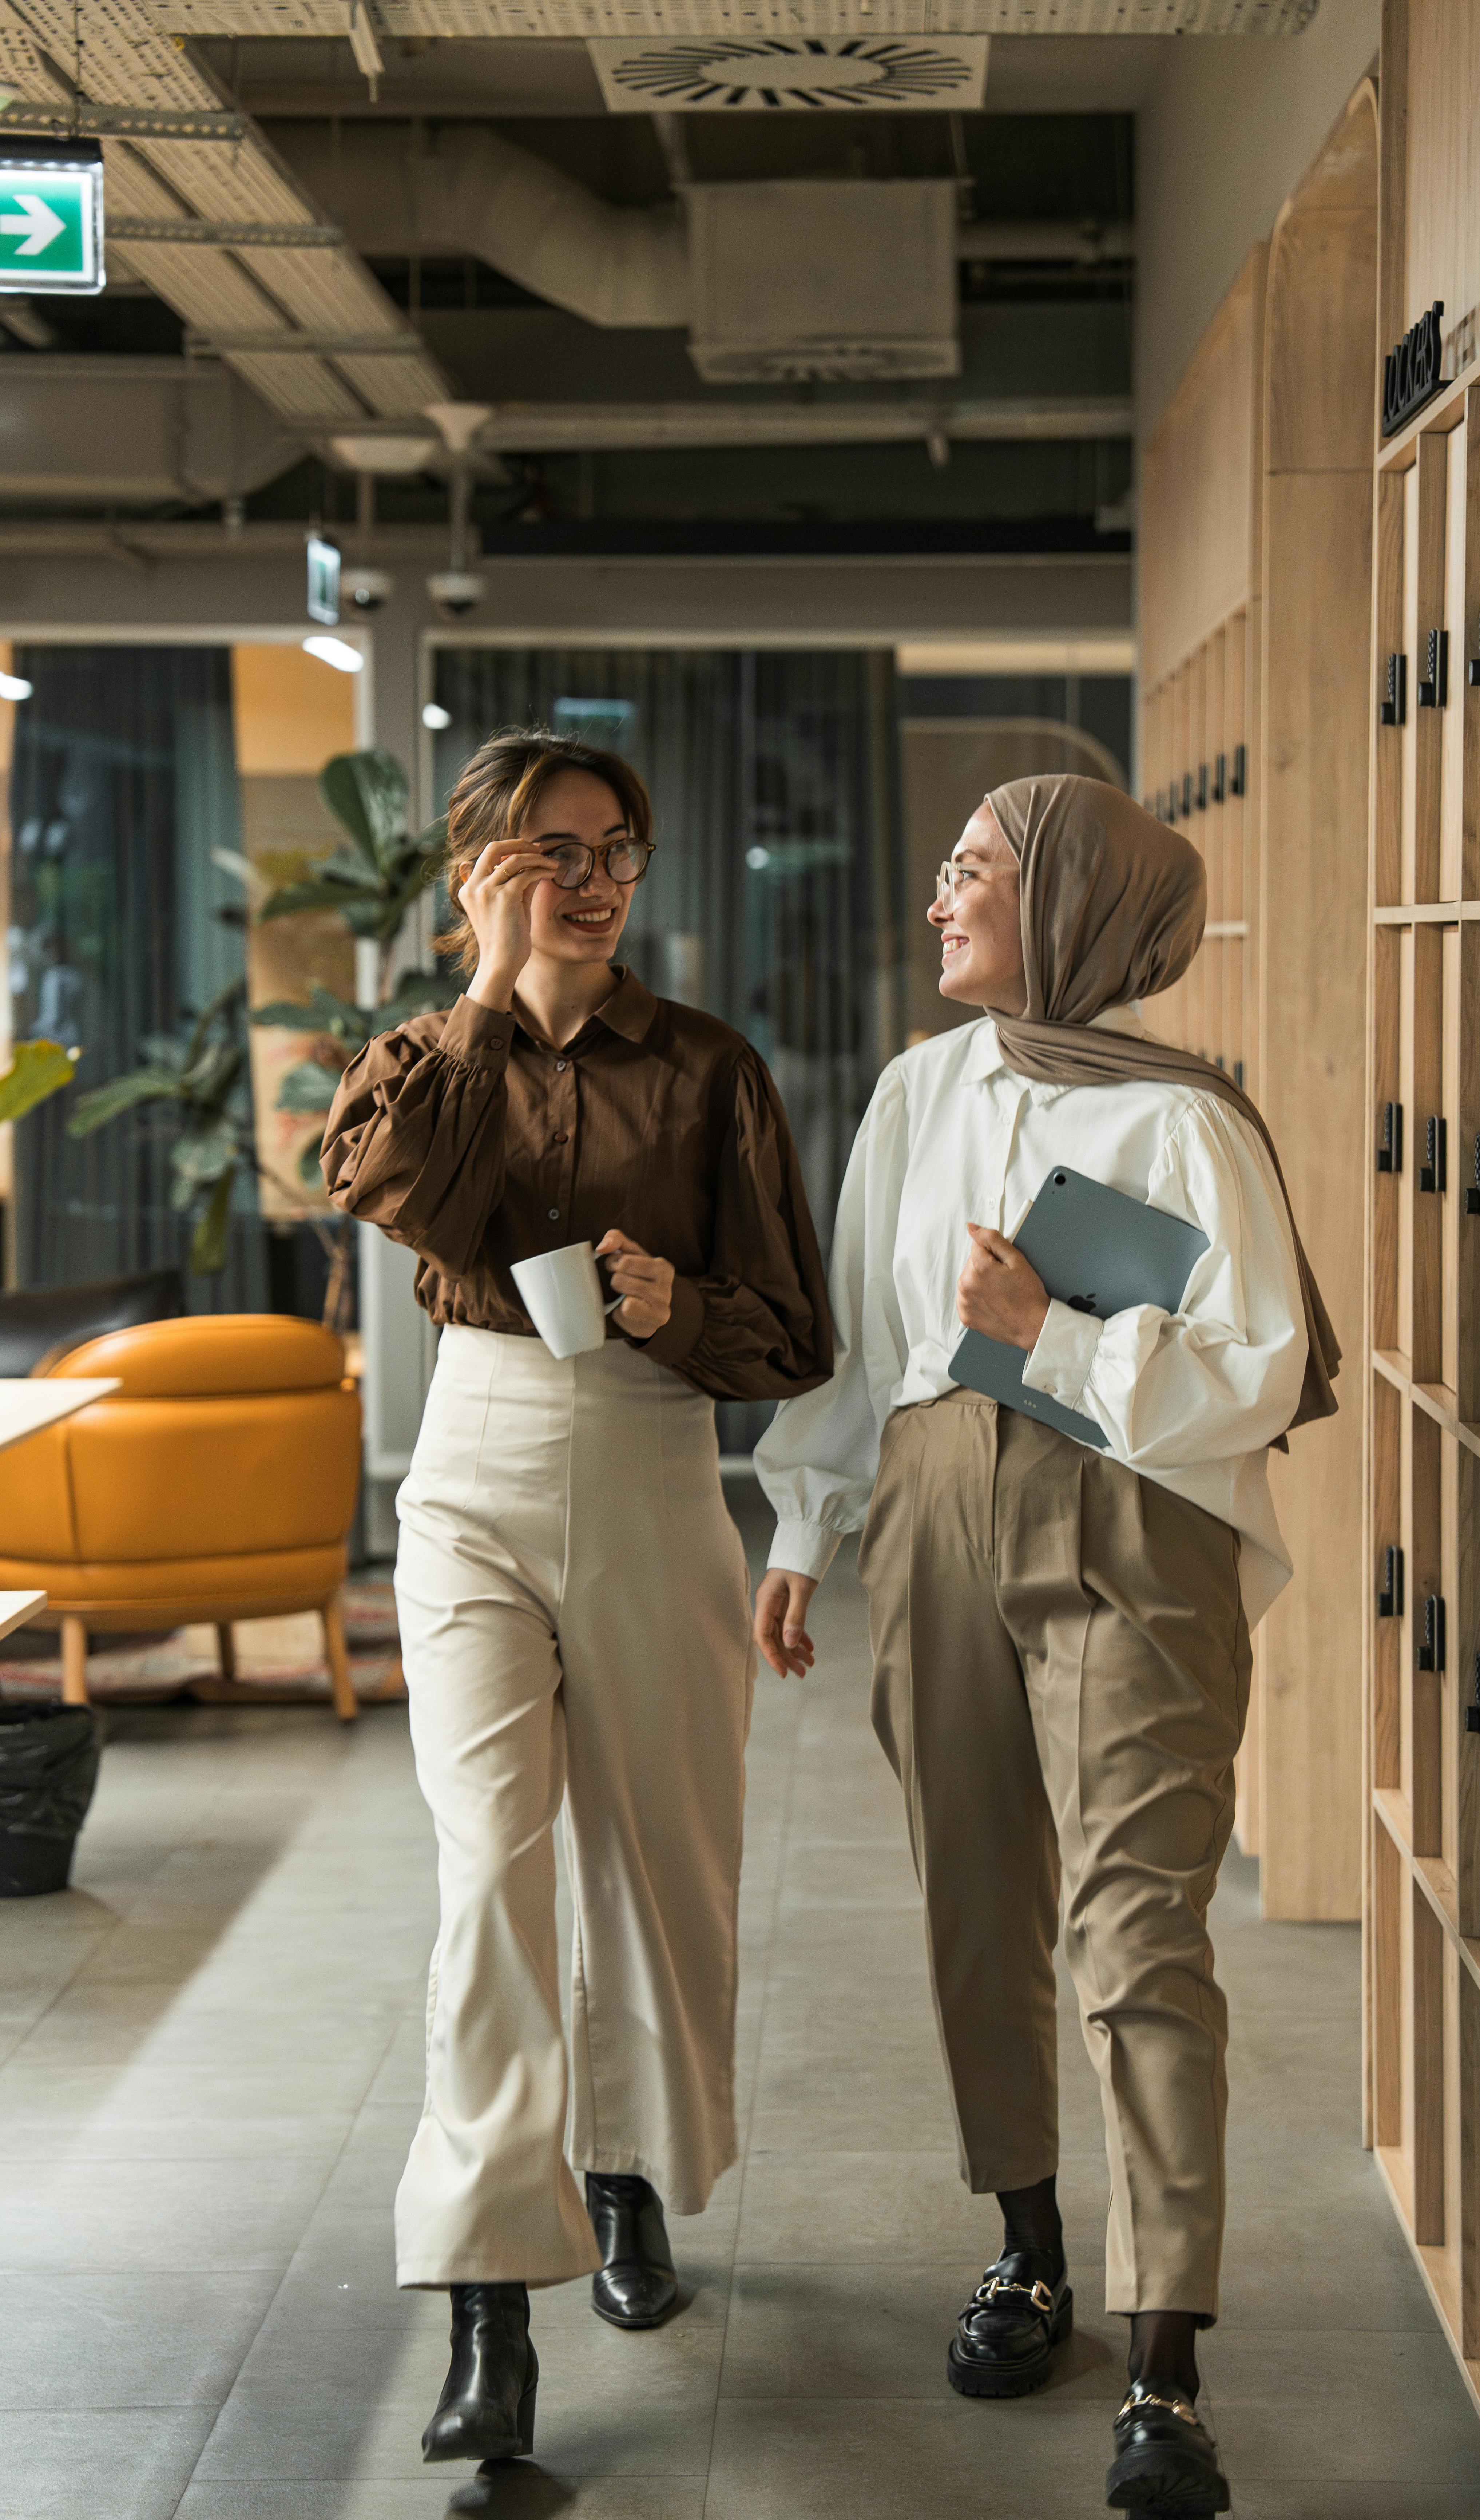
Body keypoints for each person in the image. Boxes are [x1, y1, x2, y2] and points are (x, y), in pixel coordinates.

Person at [751, 775, 1338, 2517]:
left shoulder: (1187, 1126)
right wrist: (807, 1526)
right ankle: (1027, 2249)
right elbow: (868, 1329)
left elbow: (1262, 1370)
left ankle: (1166, 2362)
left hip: (1126, 1509)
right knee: (972, 1887)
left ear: (1071, 903)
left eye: (975, 874)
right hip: (933, 1493)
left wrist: (1053, 1339)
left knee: (1140, 1916)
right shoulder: (918, 1091)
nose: (939, 900)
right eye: (940, 871)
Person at [322, 728, 833, 2464]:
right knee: (491, 1876)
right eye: (551, 849)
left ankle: (623, 2180)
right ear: (482, 869)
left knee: (656, 1868)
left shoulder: (707, 1070)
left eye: (616, 845)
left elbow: (792, 1329)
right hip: (468, 1470)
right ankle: (489, 2307)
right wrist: (484, 984)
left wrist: (670, 1298)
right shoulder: (420, 1057)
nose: (594, 876)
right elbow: (397, 1194)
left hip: (650, 1457)